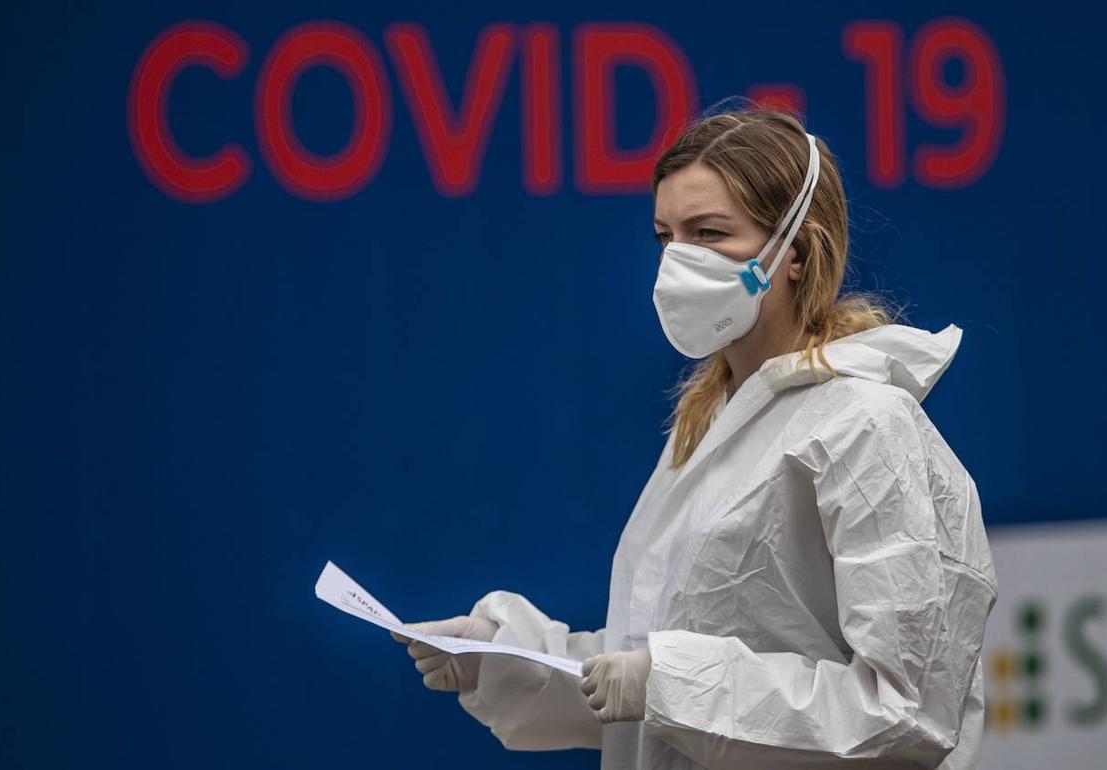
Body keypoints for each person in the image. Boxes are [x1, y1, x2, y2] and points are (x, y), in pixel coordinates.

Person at [390, 105, 997, 770]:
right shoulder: (707, 421)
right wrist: (505, 657)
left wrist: (669, 683)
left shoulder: (866, 424)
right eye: (666, 237)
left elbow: (907, 711)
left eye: (709, 233)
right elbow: (650, 670)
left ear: (796, 253)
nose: (679, 260)